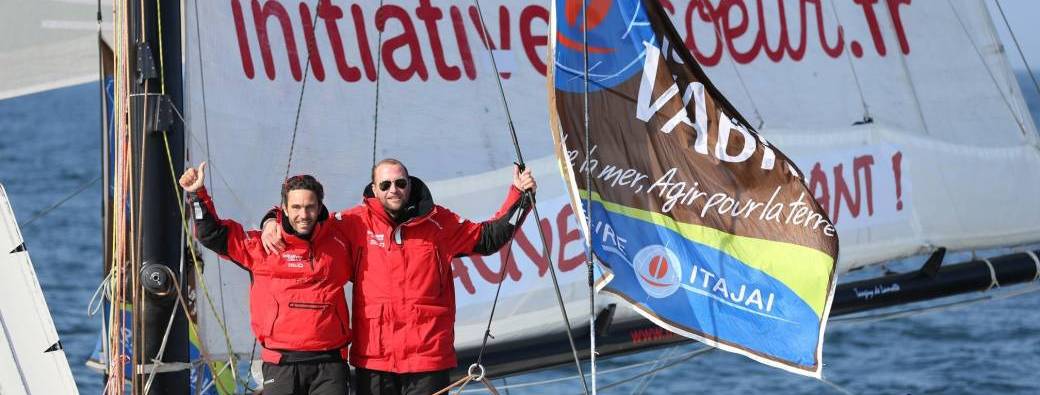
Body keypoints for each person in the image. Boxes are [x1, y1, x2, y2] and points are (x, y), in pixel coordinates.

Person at [261, 159, 536, 395]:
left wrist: (520, 196)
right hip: (375, 360)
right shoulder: (352, 223)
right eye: (385, 185)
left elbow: (488, 239)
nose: (394, 189)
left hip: (428, 359)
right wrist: (271, 220)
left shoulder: (440, 222)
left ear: (410, 185)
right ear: (374, 189)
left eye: (400, 183)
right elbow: (306, 218)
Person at [180, 162, 357, 395]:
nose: (303, 215)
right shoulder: (262, 246)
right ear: (283, 208)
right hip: (281, 362)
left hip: (330, 361)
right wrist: (197, 195)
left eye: (310, 207)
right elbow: (211, 234)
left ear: (320, 206)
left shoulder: (340, 240)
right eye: (296, 207)